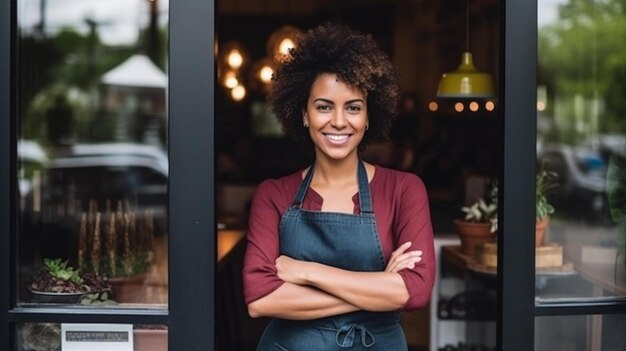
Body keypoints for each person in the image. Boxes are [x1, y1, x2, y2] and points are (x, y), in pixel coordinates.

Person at [242, 23, 436, 350]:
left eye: (353, 107)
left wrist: (305, 271)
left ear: (369, 116)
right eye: (323, 106)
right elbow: (260, 298)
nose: (339, 121)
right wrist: (379, 289)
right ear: (303, 114)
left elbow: (414, 291)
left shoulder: (405, 189)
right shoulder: (273, 194)